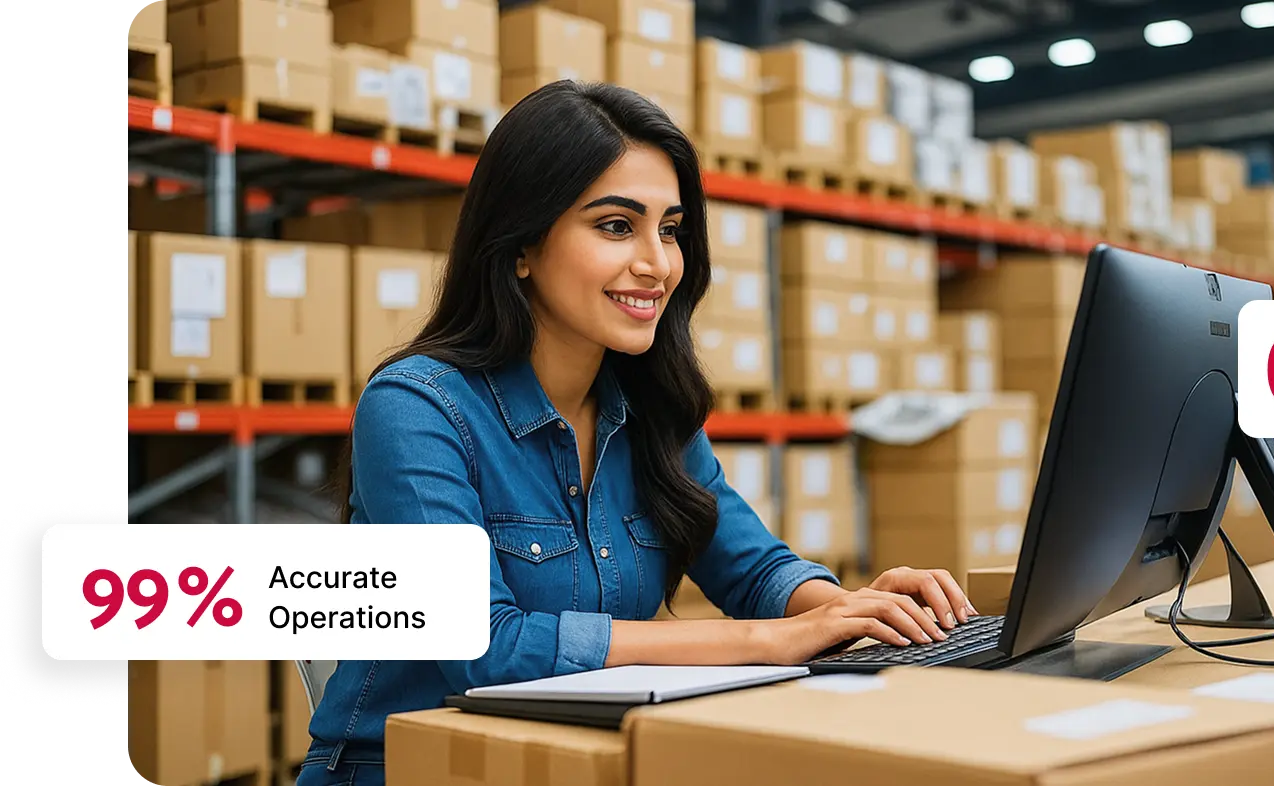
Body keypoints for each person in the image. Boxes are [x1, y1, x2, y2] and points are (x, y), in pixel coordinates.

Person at [296, 81, 978, 786]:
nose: (658, 263)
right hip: (406, 769)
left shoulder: (650, 408)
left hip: (574, 761)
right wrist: (769, 641)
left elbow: (751, 569)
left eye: (672, 229)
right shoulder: (416, 407)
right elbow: (488, 648)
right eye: (617, 226)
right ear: (521, 244)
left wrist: (854, 612)